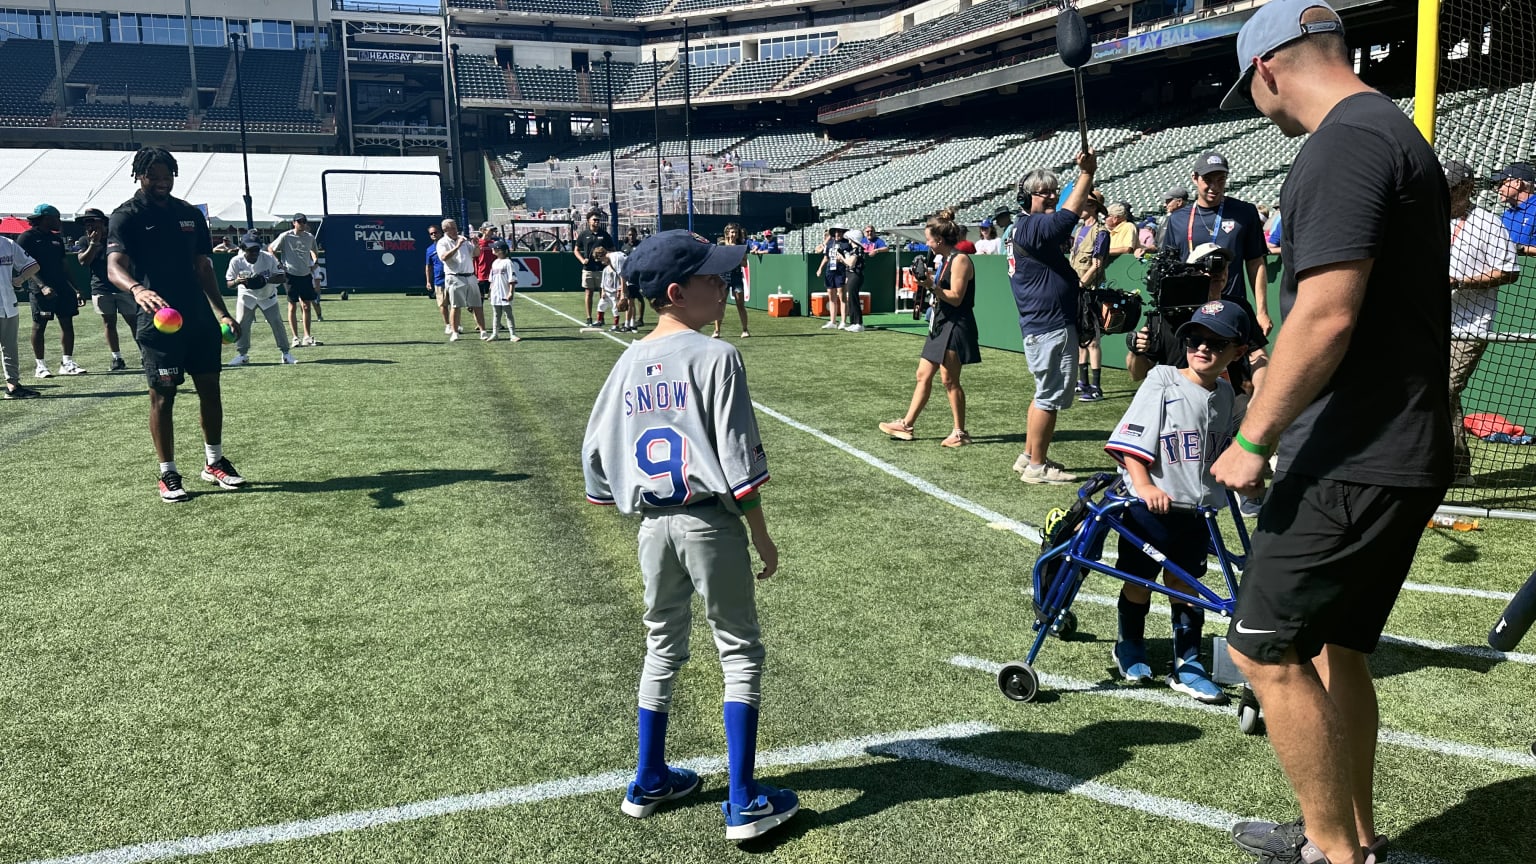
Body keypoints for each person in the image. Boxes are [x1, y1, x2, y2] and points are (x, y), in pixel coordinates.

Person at [1210, 4, 1452, 864]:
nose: (1256, 106)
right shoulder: (1391, 129)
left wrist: (1253, 438)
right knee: (1338, 650)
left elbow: (1326, 312)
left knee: (1262, 652)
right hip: (1400, 446)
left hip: (1354, 449)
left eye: (1250, 91)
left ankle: (1334, 854)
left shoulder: (1344, 142)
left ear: (1269, 70)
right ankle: (1348, 836)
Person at [581, 229, 797, 842]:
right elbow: (738, 460)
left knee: (662, 645)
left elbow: (594, 454)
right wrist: (761, 535)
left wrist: (626, 500)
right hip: (710, 521)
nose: (723, 285)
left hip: (653, 525)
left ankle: (649, 779)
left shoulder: (625, 359)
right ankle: (744, 800)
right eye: (712, 278)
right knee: (739, 648)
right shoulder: (716, 354)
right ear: (677, 292)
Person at [1105, 299, 1251, 703]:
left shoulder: (1224, 393)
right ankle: (1129, 644)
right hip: (1147, 507)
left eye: (1215, 343)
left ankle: (1187, 663)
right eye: (1195, 339)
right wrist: (1144, 486)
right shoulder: (1163, 379)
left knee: (1185, 584)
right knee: (1140, 580)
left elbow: (1214, 453)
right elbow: (1131, 443)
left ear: (1236, 352)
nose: (1202, 348)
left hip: (1196, 510)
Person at [106, 147, 244, 503]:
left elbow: (203, 267)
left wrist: (222, 312)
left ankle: (214, 463)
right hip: (158, 321)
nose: (162, 182)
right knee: (163, 396)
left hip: (198, 317)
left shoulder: (189, 215)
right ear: (140, 176)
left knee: (210, 389)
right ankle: (167, 472)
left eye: (167, 176)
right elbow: (113, 266)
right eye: (154, 176)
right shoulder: (126, 216)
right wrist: (137, 289)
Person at [1008, 149, 1100, 484]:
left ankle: (1029, 455)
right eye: (1042, 191)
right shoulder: (1032, 226)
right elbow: (1065, 219)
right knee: (1049, 398)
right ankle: (1038, 466)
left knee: (1041, 392)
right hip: (1050, 326)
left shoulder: (1025, 228)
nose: (1049, 195)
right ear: (1026, 197)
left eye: (1053, 190)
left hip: (1043, 324)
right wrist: (1086, 174)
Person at [1443, 159, 1519, 485]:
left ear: (1467, 187)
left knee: (1444, 388)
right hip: (1430, 321)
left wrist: (1460, 281)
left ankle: (1453, 469)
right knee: (1438, 395)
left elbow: (1509, 271)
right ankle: (1455, 470)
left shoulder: (1488, 222)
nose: (1444, 195)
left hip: (1469, 325)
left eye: (1451, 189)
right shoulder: (1428, 218)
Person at [879, 212, 980, 447]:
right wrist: (928, 278)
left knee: (949, 380)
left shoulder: (960, 260)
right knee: (922, 375)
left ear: (940, 241)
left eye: (929, 239)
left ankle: (960, 432)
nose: (927, 244)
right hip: (941, 323)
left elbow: (956, 298)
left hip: (956, 324)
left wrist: (931, 284)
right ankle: (906, 425)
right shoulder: (945, 261)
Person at [1127, 243, 1269, 396]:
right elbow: (1137, 374)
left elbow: (1259, 357)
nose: (1217, 272)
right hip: (1180, 399)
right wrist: (1136, 351)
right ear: (1191, 272)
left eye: (1223, 266)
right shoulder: (1166, 314)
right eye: (1207, 265)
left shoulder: (1238, 308)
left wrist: (1260, 394)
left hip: (1231, 396)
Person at [1160, 152, 1273, 335]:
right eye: (1208, 180)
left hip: (1231, 307)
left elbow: (1255, 262)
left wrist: (1262, 311)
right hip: (1189, 310)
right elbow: (1169, 267)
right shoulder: (1177, 218)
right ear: (1195, 178)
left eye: (1221, 180)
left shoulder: (1244, 212)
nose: (1214, 187)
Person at [19, 204, 85, 378]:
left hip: (62, 288)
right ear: (47, 218)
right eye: (57, 218)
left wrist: (76, 288)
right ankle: (40, 366)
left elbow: (64, 265)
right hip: (41, 289)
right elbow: (24, 265)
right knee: (40, 326)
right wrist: (42, 286)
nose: (59, 222)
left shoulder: (56, 239)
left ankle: (67, 363)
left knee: (67, 323)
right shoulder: (27, 238)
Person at [224, 232, 296, 367]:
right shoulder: (236, 261)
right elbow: (229, 284)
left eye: (257, 248)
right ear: (243, 248)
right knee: (242, 324)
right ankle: (242, 355)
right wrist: (237, 281)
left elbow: (282, 277)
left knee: (276, 322)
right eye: (251, 249)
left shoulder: (268, 258)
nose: (254, 252)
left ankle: (286, 354)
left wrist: (266, 279)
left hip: (267, 295)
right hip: (247, 296)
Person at [79, 207, 136, 372]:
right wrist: (93, 244)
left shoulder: (117, 236)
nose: (89, 225)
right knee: (109, 323)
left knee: (133, 321)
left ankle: (144, 354)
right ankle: (117, 358)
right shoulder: (84, 240)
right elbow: (83, 262)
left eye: (92, 221)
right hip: (101, 288)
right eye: (86, 222)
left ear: (103, 222)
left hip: (123, 286)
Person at [1069, 192, 1109, 402]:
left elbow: (1097, 264)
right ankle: (1082, 381)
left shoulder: (1101, 232)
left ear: (1093, 207)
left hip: (1090, 292)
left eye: (1085, 204)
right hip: (1078, 290)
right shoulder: (1079, 229)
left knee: (1093, 340)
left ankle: (1096, 386)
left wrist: (1082, 283)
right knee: (1080, 340)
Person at [269, 213, 321, 347]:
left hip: (305, 274)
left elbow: (314, 250)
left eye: (304, 221)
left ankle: (307, 337)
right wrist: (278, 263)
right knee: (292, 305)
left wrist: (315, 261)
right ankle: (295, 338)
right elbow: (271, 248)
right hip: (290, 274)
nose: (302, 224)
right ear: (294, 223)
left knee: (306, 306)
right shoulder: (286, 236)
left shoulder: (309, 237)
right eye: (299, 221)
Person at [0, 231, 41, 398]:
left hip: (8, 303)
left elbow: (33, 265)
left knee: (9, 348)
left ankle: (13, 386)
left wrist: (21, 278)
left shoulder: (7, 244)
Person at [436, 219, 488, 341]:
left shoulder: (463, 239)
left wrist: (476, 245)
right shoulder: (442, 242)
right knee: (456, 305)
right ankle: (455, 332)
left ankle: (483, 331)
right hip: (455, 276)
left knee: (477, 304)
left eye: (455, 227)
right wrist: (457, 246)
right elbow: (444, 257)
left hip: (470, 275)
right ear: (445, 230)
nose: (455, 230)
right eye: (452, 228)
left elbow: (475, 254)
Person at [573, 212, 613, 327]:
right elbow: (576, 250)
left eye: (598, 220)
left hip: (602, 269)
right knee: (588, 293)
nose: (596, 222)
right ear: (588, 221)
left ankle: (601, 318)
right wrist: (582, 260)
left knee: (603, 294)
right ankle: (589, 318)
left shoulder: (605, 235)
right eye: (594, 219)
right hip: (588, 269)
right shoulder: (583, 234)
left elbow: (612, 249)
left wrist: (606, 259)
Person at [713, 223, 750, 339]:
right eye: (732, 232)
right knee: (720, 303)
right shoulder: (721, 244)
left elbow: (745, 263)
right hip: (723, 276)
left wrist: (737, 259)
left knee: (740, 303)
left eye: (736, 232)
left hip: (736, 276)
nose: (734, 234)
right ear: (727, 232)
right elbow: (716, 259)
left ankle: (745, 330)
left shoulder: (740, 246)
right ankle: (717, 331)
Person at [1493, 161, 1536, 256]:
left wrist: (1520, 248)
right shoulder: (1506, 215)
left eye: (1501, 183)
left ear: (1518, 183)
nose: (1498, 189)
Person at [817, 225, 852, 330]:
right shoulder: (830, 243)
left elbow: (849, 260)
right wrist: (820, 269)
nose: (837, 234)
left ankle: (843, 321)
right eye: (836, 232)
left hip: (840, 272)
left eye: (840, 232)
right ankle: (832, 321)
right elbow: (826, 257)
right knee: (831, 296)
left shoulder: (846, 244)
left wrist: (846, 272)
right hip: (830, 271)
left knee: (842, 297)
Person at [487, 240, 520, 342]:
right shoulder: (494, 262)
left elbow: (512, 279)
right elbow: (491, 280)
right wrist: (490, 292)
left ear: (500, 250)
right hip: (495, 293)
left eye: (495, 248)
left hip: (504, 292)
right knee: (496, 314)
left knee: (508, 314)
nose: (493, 249)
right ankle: (495, 333)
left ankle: (512, 334)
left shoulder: (508, 262)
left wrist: (510, 292)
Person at [593, 246, 623, 332]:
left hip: (614, 292)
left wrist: (619, 290)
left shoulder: (615, 266)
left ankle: (616, 324)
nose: (602, 262)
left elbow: (619, 280)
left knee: (615, 308)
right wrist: (603, 291)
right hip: (606, 292)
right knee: (601, 305)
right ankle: (599, 320)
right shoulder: (606, 269)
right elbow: (603, 282)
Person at [475, 223, 498, 302]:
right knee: (479, 299)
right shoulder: (478, 243)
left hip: (492, 274)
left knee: (493, 298)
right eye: (491, 230)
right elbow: (475, 258)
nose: (492, 232)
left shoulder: (493, 243)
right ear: (484, 230)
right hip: (481, 273)